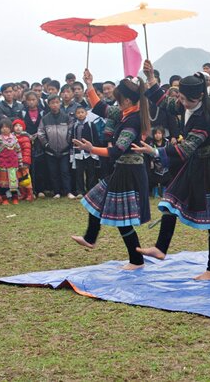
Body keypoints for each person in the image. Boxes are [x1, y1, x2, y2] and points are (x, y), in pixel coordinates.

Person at [135, 61, 210, 280]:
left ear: (199, 97)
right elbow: (164, 102)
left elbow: (186, 148)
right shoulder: (184, 104)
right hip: (195, 163)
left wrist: (155, 152)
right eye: (181, 98)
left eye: (186, 100)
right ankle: (160, 248)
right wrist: (151, 78)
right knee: (170, 202)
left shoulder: (204, 118)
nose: (182, 103)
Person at [71, 69, 151, 271]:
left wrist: (91, 149)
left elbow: (117, 150)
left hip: (129, 172)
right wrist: (89, 84)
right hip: (122, 169)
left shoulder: (132, 121)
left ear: (125, 101)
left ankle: (136, 260)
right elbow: (100, 107)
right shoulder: (125, 112)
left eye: (118, 98)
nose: (115, 102)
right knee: (95, 199)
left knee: (123, 220)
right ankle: (90, 238)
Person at [38, 95, 73, 199]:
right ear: (49, 104)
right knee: (53, 172)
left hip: (65, 151)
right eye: (52, 103)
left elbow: (71, 131)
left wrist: (67, 144)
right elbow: (40, 133)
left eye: (57, 102)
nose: (55, 105)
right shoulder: (45, 118)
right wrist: (47, 145)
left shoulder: (66, 117)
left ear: (60, 103)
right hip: (50, 151)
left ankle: (68, 192)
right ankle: (56, 192)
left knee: (65, 171)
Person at [0, 119, 23, 205]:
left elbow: (18, 150)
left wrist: (20, 162)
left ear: (10, 128)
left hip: (13, 163)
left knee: (14, 182)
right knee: (3, 183)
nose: (4, 129)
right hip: (2, 164)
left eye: (7, 127)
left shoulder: (14, 139)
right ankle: (4, 199)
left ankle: (15, 198)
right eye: (2, 127)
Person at [70, 106, 100, 198]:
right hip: (78, 153)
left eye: (82, 112)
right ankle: (80, 191)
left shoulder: (91, 124)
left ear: (86, 113)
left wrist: (95, 150)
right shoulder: (74, 126)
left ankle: (91, 190)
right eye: (78, 113)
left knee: (91, 172)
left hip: (90, 153)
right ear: (76, 115)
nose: (80, 114)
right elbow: (72, 138)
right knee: (79, 172)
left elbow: (96, 138)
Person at [12, 119, 33, 201]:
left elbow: (27, 150)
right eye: (16, 126)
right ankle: (22, 193)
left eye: (20, 126)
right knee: (19, 178)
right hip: (15, 161)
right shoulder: (11, 137)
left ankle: (29, 193)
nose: (18, 128)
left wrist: (25, 161)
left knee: (26, 178)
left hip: (24, 161)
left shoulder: (25, 137)